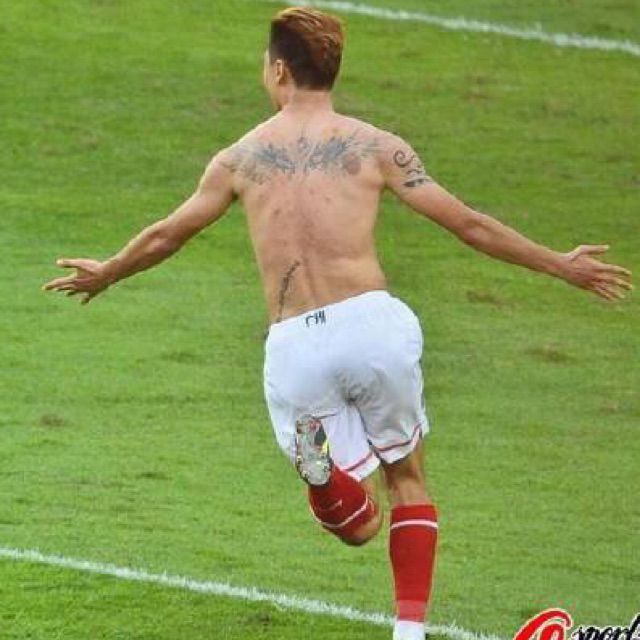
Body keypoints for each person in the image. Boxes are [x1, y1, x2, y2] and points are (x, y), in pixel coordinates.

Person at [42, 7, 633, 640]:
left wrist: (108, 272)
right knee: (408, 479)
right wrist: (560, 265)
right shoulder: (378, 146)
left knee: (357, 525)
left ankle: (323, 481)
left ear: (278, 70)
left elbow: (168, 235)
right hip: (373, 326)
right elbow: (469, 224)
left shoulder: (240, 159)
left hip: (295, 343)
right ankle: (409, 632)